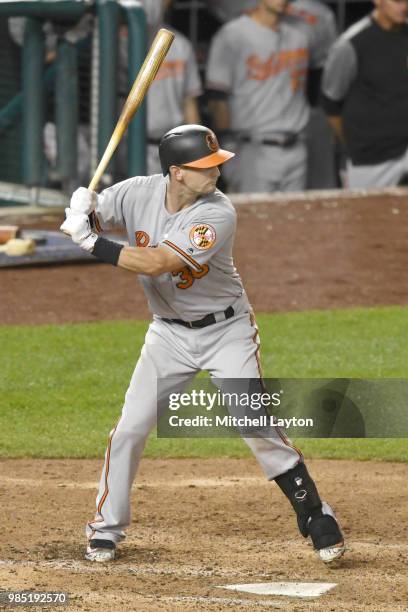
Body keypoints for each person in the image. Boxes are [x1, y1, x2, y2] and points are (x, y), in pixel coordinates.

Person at [60, 124, 346, 565]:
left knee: (253, 422)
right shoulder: (135, 192)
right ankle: (105, 529)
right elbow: (95, 216)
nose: (216, 171)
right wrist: (84, 208)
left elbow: (159, 262)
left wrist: (90, 240)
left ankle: (313, 512)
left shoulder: (218, 213)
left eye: (217, 163)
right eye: (205, 166)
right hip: (168, 334)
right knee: (130, 429)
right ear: (176, 172)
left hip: (226, 333)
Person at [206, 0, 311, 193]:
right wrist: (227, 152)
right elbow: (218, 99)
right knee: (252, 220)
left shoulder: (300, 36)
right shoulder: (232, 35)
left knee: (296, 220)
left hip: (297, 145)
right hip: (251, 148)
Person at [321, 0, 408, 189]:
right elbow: (331, 103)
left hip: (405, 151)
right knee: (366, 216)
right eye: (397, 1)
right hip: (369, 159)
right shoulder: (351, 43)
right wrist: (354, 142)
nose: (404, 7)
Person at [117, 0, 202, 176]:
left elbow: (188, 102)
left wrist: (197, 151)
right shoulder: (117, 44)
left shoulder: (180, 45)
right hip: (130, 148)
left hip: (174, 147)